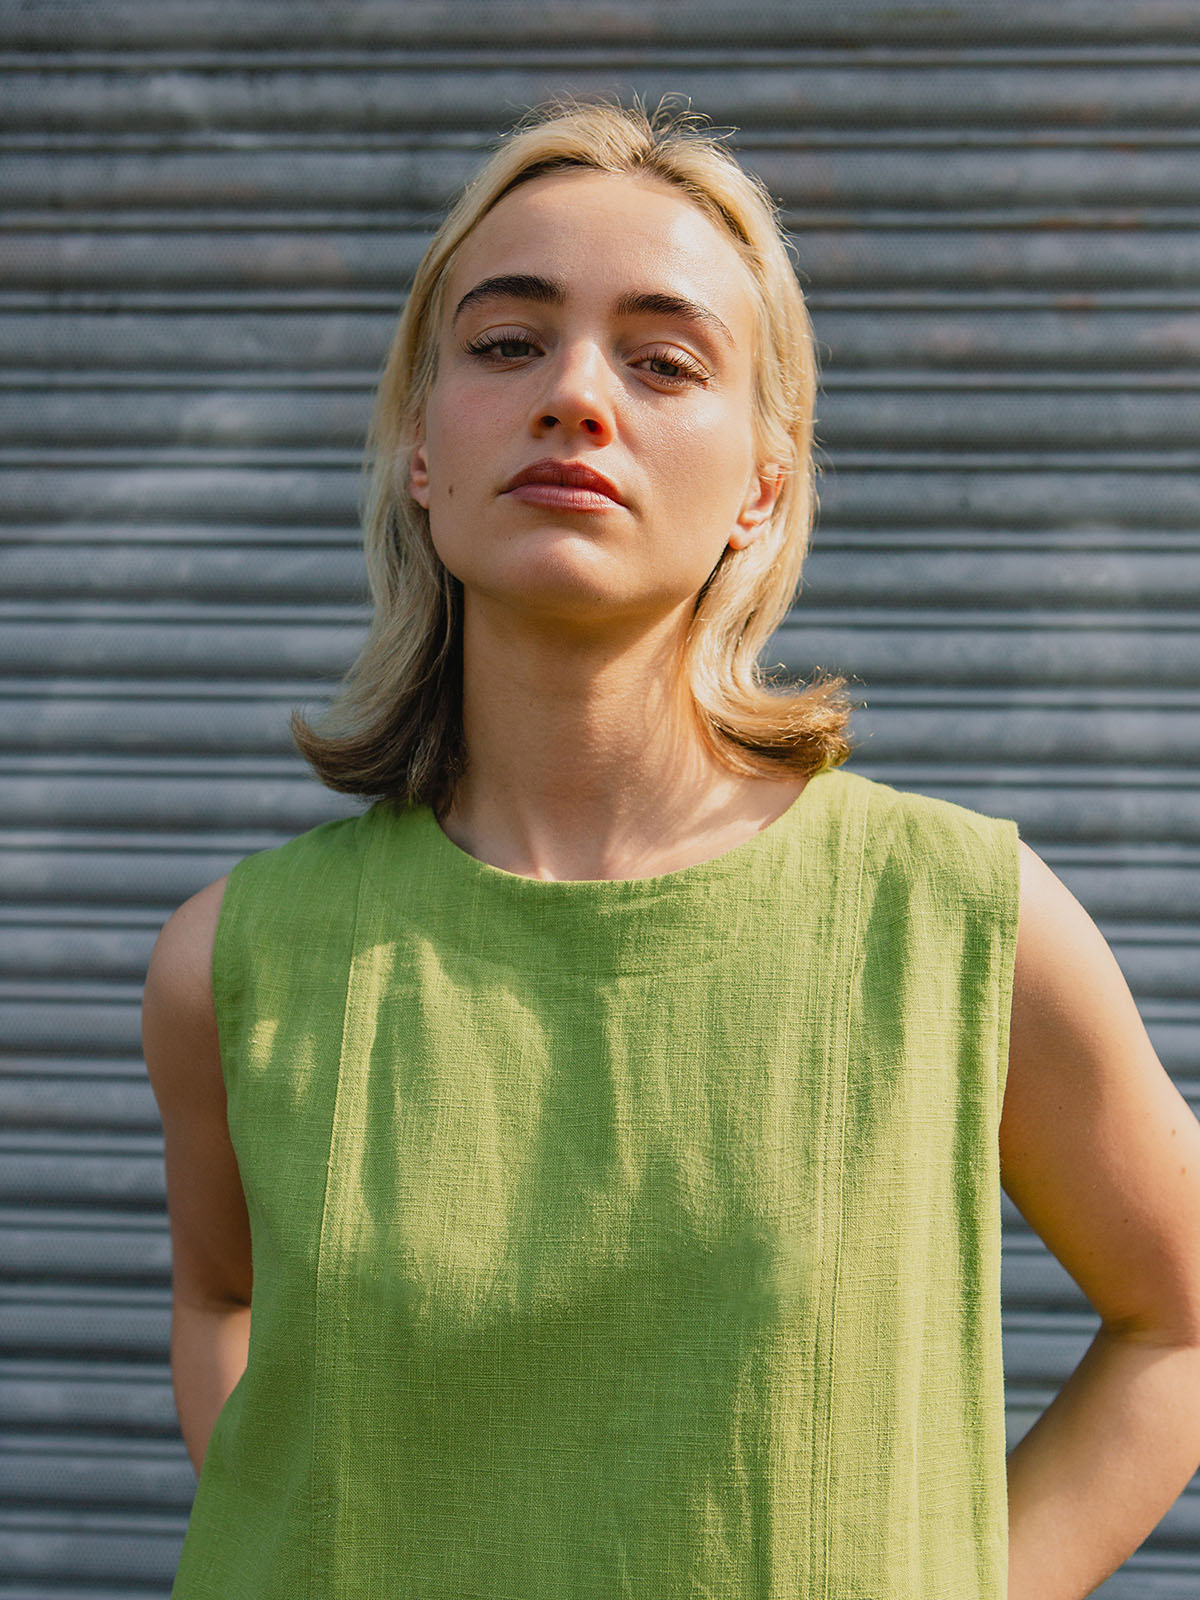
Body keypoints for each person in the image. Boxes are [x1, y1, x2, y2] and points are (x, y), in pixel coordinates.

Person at [142, 94, 1200, 1600]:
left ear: (764, 486)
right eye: (507, 343)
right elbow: (219, 1307)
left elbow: (1180, 1324)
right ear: (421, 448)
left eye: (663, 361)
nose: (576, 394)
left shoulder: (958, 922)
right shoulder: (230, 964)